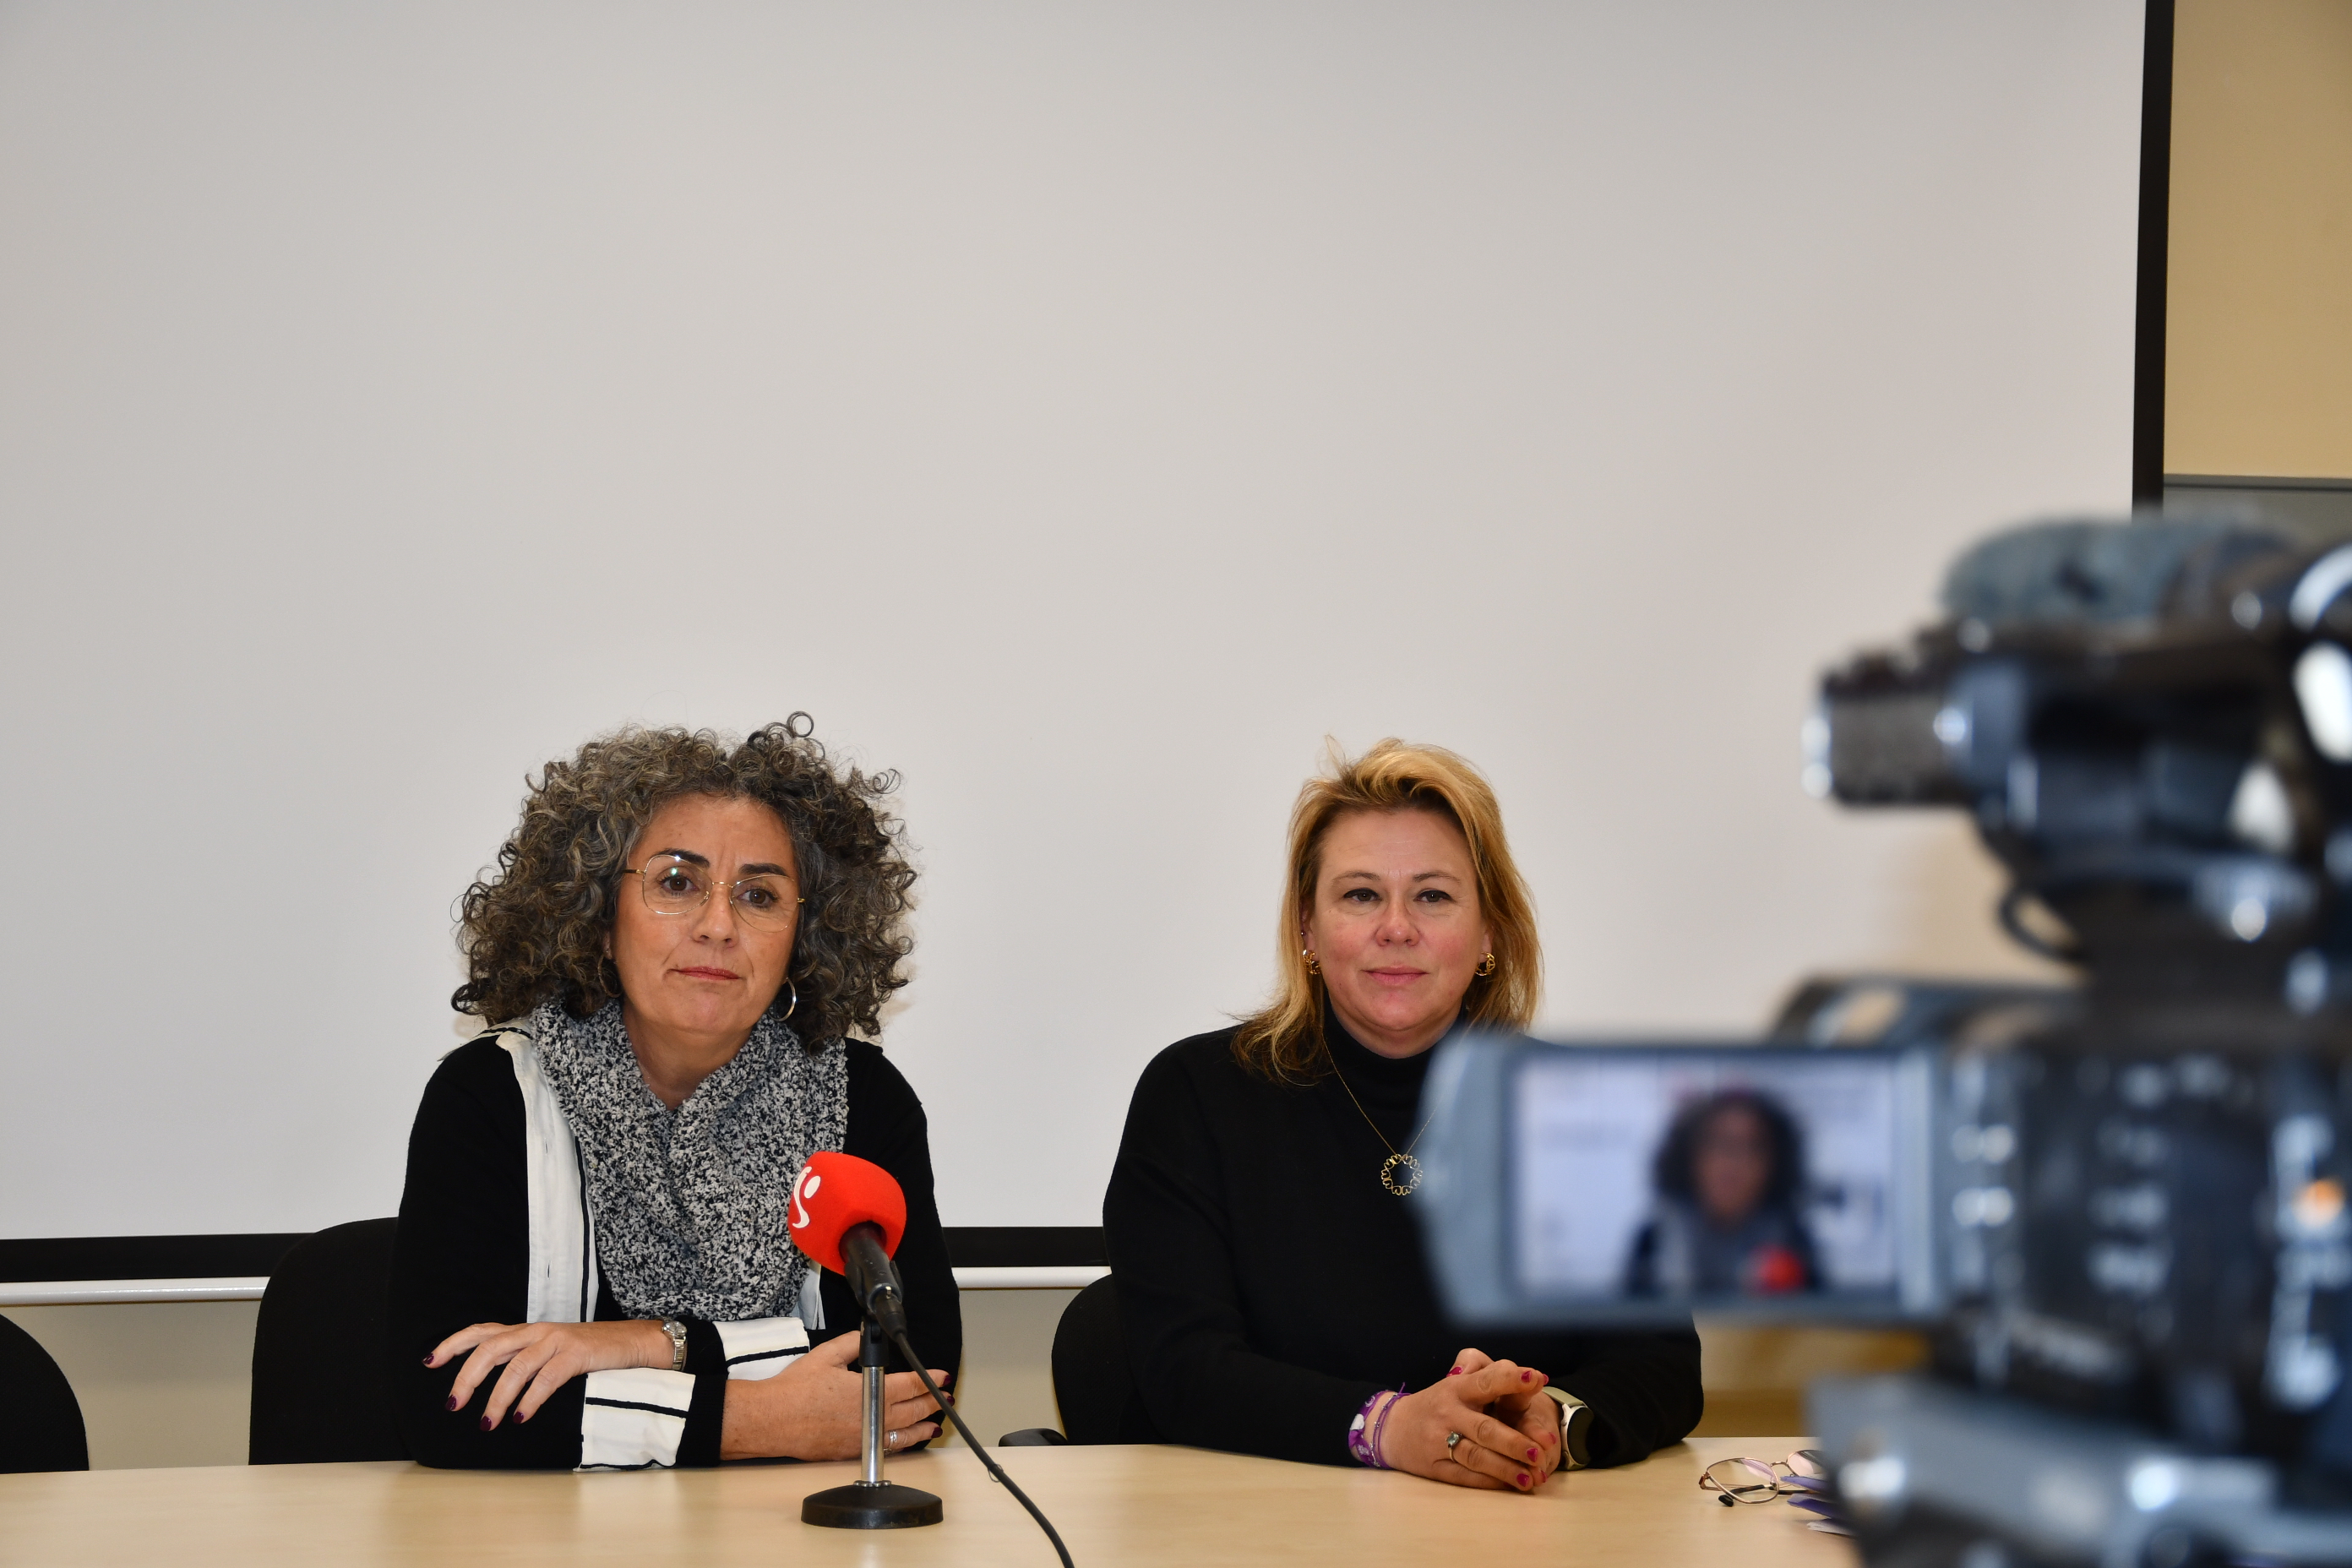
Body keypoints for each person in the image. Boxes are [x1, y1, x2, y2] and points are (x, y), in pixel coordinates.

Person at [1103, 740, 1703, 1493]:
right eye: (1360, 895)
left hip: (1517, 1528)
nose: (1396, 928)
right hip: (1268, 1521)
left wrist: (1552, 1418)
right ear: (1307, 928)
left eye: (1433, 896)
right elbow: (1184, 1370)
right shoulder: (1195, 1095)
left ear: (1489, 933)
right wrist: (1386, 1427)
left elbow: (1660, 1367)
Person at [388, 719, 961, 1470]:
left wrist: (647, 1344)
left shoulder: (864, 1100)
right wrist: (755, 1419)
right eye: (677, 883)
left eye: (759, 895)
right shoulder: (491, 1097)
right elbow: (450, 1399)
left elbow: (915, 1372)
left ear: (803, 936)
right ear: (598, 917)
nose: (718, 926)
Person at [1626, 1091, 1821, 1297]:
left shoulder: (1793, 1242)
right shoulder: (1655, 1240)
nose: (1732, 1162)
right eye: (1718, 1144)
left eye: (1751, 1147)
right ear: (1689, 1157)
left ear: (1776, 1163)